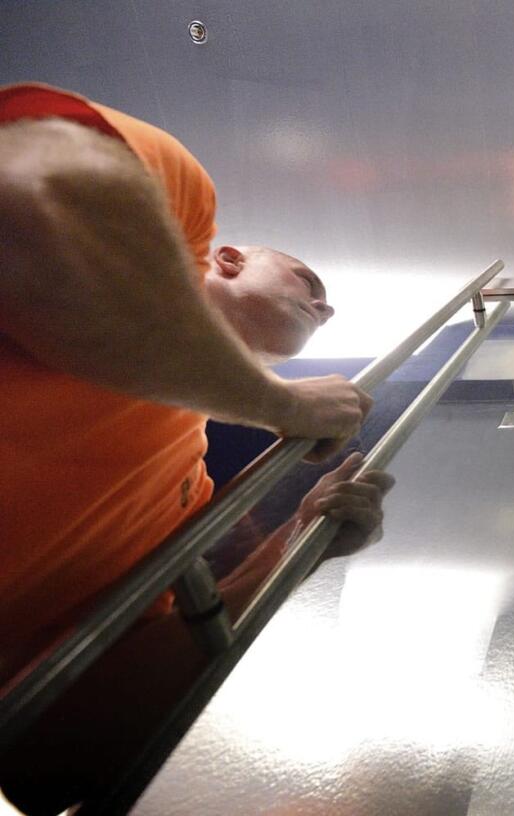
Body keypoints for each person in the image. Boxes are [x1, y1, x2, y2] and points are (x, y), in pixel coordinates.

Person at [0, 82, 378, 665]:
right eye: (310, 284)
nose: (325, 310)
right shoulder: (183, 206)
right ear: (230, 260)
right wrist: (283, 406)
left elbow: (130, 667)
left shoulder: (183, 491)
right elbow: (34, 199)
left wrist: (301, 539)